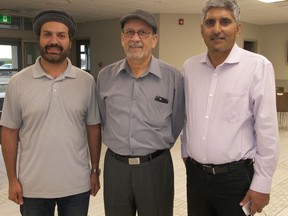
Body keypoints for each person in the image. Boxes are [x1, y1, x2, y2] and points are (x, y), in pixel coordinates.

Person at [181, 0, 279, 216]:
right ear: (202, 29)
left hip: (235, 180)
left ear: (237, 27)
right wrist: (186, 153)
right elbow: (187, 117)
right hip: (196, 177)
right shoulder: (190, 67)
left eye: (225, 21)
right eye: (210, 22)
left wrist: (261, 185)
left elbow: (267, 132)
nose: (217, 29)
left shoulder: (257, 67)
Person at [0, 9, 101, 216]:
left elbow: (93, 127)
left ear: (70, 41)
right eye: (47, 34)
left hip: (77, 186)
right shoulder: (18, 82)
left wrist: (94, 171)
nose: (54, 41)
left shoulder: (86, 82)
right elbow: (9, 131)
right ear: (39, 38)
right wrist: (12, 179)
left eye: (61, 35)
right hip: (32, 187)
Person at [96, 9, 185, 216]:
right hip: (115, 168)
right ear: (122, 38)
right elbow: (103, 118)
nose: (135, 38)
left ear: (154, 40)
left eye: (142, 33)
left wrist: (155, 148)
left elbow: (177, 121)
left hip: (155, 168)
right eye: (129, 32)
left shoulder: (173, 78)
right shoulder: (105, 77)